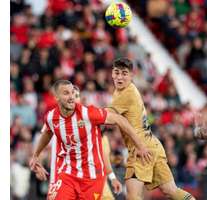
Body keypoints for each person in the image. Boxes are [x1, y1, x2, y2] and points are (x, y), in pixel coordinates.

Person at [30, 80, 152, 200]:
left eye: (73, 92)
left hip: (92, 177)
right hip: (67, 174)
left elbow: (120, 120)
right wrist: (35, 155)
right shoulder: (51, 117)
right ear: (56, 97)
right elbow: (47, 132)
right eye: (66, 93)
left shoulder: (87, 113)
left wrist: (140, 145)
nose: (72, 97)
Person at [108, 58, 195, 200]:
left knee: (133, 196)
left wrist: (83, 113)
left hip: (140, 149)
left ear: (131, 75)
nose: (119, 77)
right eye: (116, 72)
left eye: (124, 73)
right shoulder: (129, 90)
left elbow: (106, 116)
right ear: (112, 73)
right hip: (153, 144)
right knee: (171, 190)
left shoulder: (126, 94)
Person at [36, 85, 121, 199]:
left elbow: (102, 154)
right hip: (61, 174)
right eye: (70, 95)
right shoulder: (54, 118)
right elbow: (44, 140)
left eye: (76, 96)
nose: (73, 98)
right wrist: (37, 160)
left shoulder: (87, 120)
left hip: (88, 178)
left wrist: (112, 177)